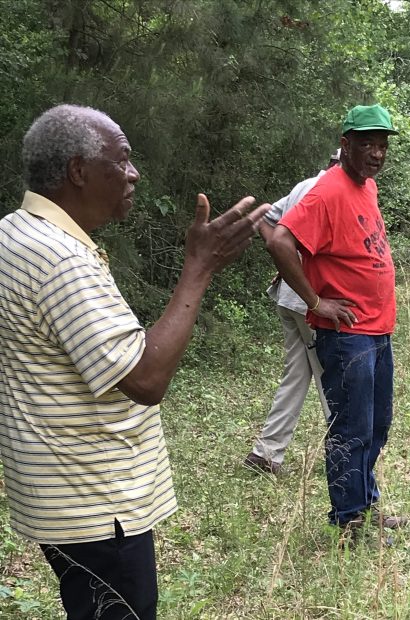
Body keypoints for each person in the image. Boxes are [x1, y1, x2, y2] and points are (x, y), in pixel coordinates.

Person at [0, 104, 269, 619]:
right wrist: (199, 268)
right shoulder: (60, 258)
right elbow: (145, 379)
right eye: (121, 160)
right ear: (79, 171)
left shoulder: (16, 232)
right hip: (95, 502)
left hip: (56, 493)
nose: (133, 173)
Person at [267, 104, 407, 536]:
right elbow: (279, 240)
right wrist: (315, 300)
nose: (377, 154)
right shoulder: (326, 191)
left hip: (377, 328)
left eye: (382, 146)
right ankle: (348, 520)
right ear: (345, 144)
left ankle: (365, 503)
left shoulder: (365, 188)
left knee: (377, 423)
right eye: (367, 144)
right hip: (347, 334)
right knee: (352, 425)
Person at [244, 149, 341, 475]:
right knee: (335, 376)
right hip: (310, 302)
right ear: (337, 164)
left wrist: (287, 267)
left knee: (297, 376)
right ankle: (344, 456)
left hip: (291, 299)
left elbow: (265, 220)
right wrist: (293, 270)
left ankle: (265, 454)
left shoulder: (305, 185)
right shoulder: (329, 191)